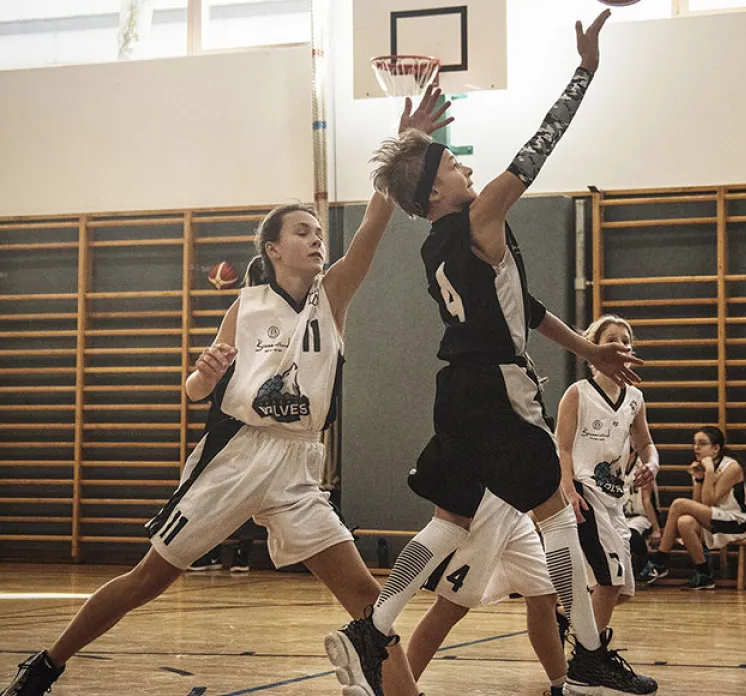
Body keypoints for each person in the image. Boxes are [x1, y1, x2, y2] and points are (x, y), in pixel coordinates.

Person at [1, 89, 453, 696]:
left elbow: (375, 221)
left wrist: (408, 145)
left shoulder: (334, 296)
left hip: (298, 465)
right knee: (146, 581)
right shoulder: (246, 306)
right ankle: (49, 663)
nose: (317, 239)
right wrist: (206, 375)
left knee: (368, 603)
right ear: (273, 249)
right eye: (302, 231)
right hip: (236, 454)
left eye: (319, 231)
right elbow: (193, 392)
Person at [326, 10, 659, 696]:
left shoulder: (434, 244)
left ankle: (374, 625)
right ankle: (591, 651)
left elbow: (525, 312)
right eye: (452, 162)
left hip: (459, 393)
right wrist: (585, 71)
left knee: (449, 519)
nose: (466, 164)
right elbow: (542, 142)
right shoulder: (481, 218)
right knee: (558, 516)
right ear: (437, 193)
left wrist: (588, 348)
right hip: (501, 392)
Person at [407, 490, 568, 696]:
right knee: (452, 605)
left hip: (514, 507)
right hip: (481, 504)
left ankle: (561, 685)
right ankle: (401, 688)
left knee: (543, 595)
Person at [556, 314, 659, 631]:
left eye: (625, 341)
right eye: (611, 340)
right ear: (593, 350)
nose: (621, 345)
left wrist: (652, 463)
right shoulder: (578, 393)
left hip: (617, 499)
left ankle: (563, 614)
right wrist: (569, 490)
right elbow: (562, 448)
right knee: (609, 582)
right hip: (586, 493)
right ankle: (590, 656)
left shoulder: (635, 397)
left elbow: (646, 443)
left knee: (622, 591)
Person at [640, 426, 746, 590]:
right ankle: (704, 574)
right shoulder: (701, 466)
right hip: (714, 518)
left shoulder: (732, 467)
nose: (696, 447)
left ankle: (660, 560)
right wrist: (698, 479)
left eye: (702, 443)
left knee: (678, 504)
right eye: (695, 443)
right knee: (685, 522)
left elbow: (708, 502)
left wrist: (710, 470)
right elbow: (697, 504)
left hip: (734, 520)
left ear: (716, 448)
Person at [623, 464, 660, 578]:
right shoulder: (615, 462)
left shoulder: (643, 465)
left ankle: (647, 564)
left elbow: (646, 499)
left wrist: (656, 529)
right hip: (621, 514)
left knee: (630, 534)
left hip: (642, 516)